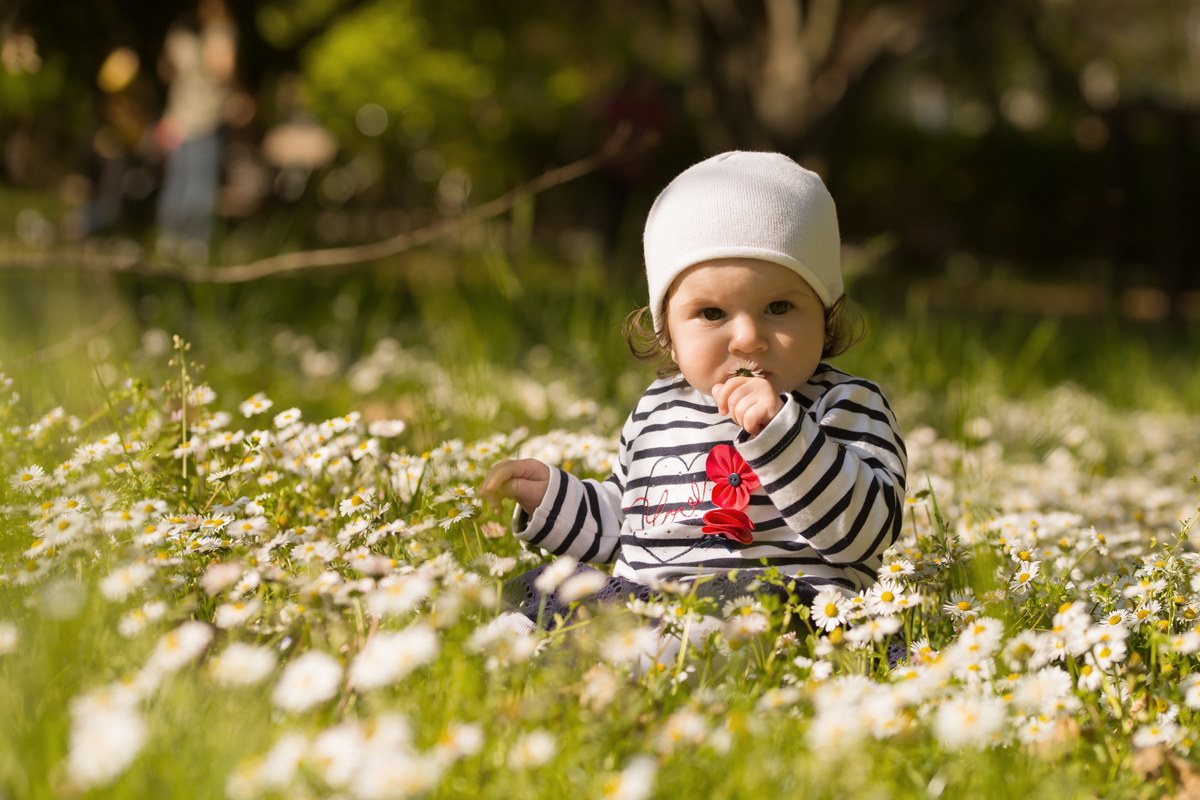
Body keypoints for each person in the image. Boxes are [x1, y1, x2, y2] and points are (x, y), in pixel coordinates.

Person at [481, 151, 907, 636]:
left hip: (783, 606)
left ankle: (650, 650)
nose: (748, 337)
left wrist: (783, 436)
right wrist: (553, 498)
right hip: (649, 606)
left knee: (753, 603)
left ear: (825, 314)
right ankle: (511, 650)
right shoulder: (656, 409)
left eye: (779, 306)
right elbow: (626, 522)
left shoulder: (847, 405)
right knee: (546, 591)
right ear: (666, 333)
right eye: (711, 314)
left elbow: (865, 534)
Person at [154, 0, 237, 262]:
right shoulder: (215, 33)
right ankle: (190, 242)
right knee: (193, 184)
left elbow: (165, 70)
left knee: (181, 182)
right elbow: (223, 68)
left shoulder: (183, 32)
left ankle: (174, 242)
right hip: (197, 121)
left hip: (182, 119)